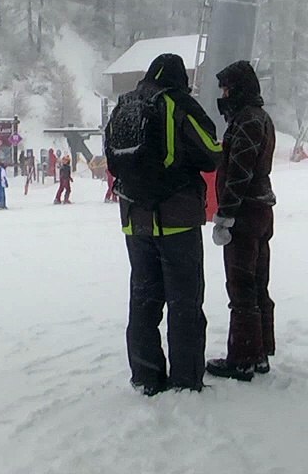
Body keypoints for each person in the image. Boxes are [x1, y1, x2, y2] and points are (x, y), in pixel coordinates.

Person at [105, 53, 221, 395]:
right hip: (177, 221)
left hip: (134, 222)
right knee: (184, 302)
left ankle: (145, 376)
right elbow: (211, 153)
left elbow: (114, 160)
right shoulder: (179, 105)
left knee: (143, 298)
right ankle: (185, 379)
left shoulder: (125, 105)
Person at [206, 61, 278, 382]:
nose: (224, 95)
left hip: (245, 214)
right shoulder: (258, 118)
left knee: (242, 285)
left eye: (227, 89)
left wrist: (226, 213)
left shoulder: (247, 121)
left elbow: (239, 172)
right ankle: (259, 352)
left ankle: (244, 357)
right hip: (259, 210)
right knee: (257, 282)